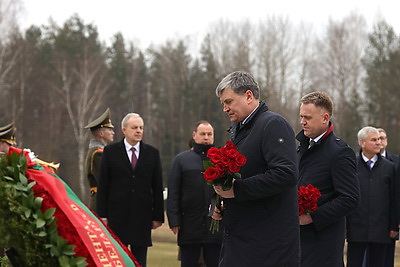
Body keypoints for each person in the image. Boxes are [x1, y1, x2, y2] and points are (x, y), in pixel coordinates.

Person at [212, 71, 300, 266]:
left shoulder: (273, 124)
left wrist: (237, 190)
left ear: (249, 96)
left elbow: (286, 174)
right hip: (242, 241)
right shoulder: (240, 130)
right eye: (223, 104)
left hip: (266, 246)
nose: (225, 109)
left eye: (229, 102)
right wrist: (220, 201)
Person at [297, 91, 360, 267]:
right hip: (297, 240)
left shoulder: (340, 153)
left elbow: (350, 198)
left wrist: (314, 217)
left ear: (325, 118)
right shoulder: (300, 149)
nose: (302, 122)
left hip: (322, 243)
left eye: (307, 117)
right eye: (301, 116)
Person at [96, 112, 164, 267]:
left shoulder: (152, 153)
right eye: (134, 128)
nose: (139, 131)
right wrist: (102, 215)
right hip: (117, 216)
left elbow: (157, 186)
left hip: (142, 216)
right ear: (124, 129)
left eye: (141, 127)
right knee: (118, 259)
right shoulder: (111, 152)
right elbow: (104, 185)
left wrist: (157, 215)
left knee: (140, 260)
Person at [167, 120, 222, 267]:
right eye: (202, 134)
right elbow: (174, 192)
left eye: (209, 134)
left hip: (215, 225)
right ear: (194, 135)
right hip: (189, 224)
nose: (206, 137)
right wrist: (174, 220)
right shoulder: (181, 160)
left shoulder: (221, 161)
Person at [346, 126, 398, 266]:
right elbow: (345, 196)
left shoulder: (390, 167)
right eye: (374, 140)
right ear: (362, 142)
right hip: (356, 228)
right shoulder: (351, 166)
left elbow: (395, 198)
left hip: (381, 229)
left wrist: (394, 225)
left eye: (380, 139)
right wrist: (345, 225)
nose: (378, 143)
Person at [84, 108, 115, 211]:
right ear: (101, 134)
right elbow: (106, 181)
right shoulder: (98, 154)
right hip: (102, 204)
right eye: (110, 130)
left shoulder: (99, 152)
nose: (113, 133)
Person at [377, 128, 399, 267]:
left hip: (389, 218)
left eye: (382, 138)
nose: (380, 141)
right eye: (376, 138)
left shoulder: (396, 161)